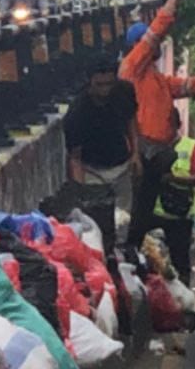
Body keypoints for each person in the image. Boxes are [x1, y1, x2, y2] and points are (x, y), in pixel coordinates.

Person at [121, 0, 195, 246]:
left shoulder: (156, 80)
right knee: (138, 217)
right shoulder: (133, 69)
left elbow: (189, 86)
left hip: (158, 157)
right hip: (144, 153)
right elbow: (159, 27)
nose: (159, 44)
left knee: (150, 219)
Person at [63, 55, 139, 252]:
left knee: (123, 220)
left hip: (121, 166)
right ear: (90, 82)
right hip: (92, 170)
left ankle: (120, 253)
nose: (105, 90)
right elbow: (75, 157)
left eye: (109, 84)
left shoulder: (124, 92)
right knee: (96, 222)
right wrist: (81, 191)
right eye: (100, 84)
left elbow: (131, 121)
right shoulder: (78, 112)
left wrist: (136, 154)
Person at [151, 108, 195, 286]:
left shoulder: (191, 147)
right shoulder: (151, 147)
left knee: (180, 262)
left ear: (177, 126)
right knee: (152, 261)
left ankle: (183, 300)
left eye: (168, 125)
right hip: (154, 215)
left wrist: (174, 179)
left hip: (180, 216)